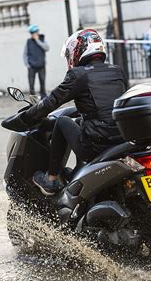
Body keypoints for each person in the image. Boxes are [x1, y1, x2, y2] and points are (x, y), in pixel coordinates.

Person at [20, 29, 128, 196]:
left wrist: (28, 116)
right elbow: (110, 104)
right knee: (81, 123)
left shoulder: (79, 74)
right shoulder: (117, 71)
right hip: (122, 140)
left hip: (99, 144)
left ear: (76, 51)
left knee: (62, 121)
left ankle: (51, 179)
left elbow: (51, 102)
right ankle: (80, 171)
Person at [23, 24, 49, 98]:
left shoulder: (42, 39)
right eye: (31, 33)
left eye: (33, 33)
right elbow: (25, 54)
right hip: (31, 66)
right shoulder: (28, 42)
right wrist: (27, 64)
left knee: (42, 83)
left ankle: (43, 98)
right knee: (31, 84)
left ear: (37, 32)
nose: (32, 35)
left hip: (41, 66)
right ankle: (33, 99)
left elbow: (47, 48)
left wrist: (37, 40)